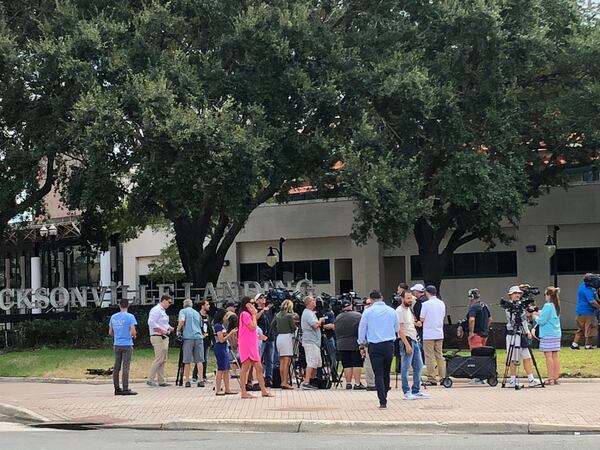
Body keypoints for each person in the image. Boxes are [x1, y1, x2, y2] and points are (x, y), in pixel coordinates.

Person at [358, 290, 399, 409]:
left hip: (374, 345)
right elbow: (396, 328)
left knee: (378, 373)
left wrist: (361, 343)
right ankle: (385, 392)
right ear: (381, 298)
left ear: (370, 300)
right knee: (386, 372)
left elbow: (362, 329)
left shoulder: (368, 312)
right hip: (388, 344)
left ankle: (382, 399)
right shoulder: (392, 311)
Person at [237, 296, 273, 399]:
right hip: (247, 344)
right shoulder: (244, 314)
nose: (253, 305)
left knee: (259, 367)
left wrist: (258, 337)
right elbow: (252, 326)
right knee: (246, 367)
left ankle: (263, 390)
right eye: (251, 303)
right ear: (246, 304)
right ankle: (244, 391)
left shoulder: (248, 314)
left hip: (252, 343)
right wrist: (253, 314)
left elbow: (252, 330)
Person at [505, 285, 539, 386]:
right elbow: (513, 320)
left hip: (522, 334)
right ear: (510, 295)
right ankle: (512, 380)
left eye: (519, 293)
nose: (517, 295)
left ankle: (531, 379)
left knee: (527, 357)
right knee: (513, 358)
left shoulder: (521, 305)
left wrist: (527, 331)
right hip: (513, 334)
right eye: (515, 293)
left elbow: (523, 319)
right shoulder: (508, 306)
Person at [396, 290, 427, 400]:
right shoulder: (399, 311)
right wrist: (406, 344)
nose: (410, 300)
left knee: (418, 365)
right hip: (406, 340)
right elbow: (399, 329)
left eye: (411, 298)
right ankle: (406, 391)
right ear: (402, 299)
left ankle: (416, 390)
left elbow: (409, 323)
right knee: (405, 367)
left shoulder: (409, 310)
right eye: (408, 298)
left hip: (414, 339)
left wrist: (416, 323)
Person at [109, 298, 138, 396]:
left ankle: (117, 388)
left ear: (119, 305)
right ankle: (125, 388)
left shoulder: (113, 317)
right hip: (127, 344)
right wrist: (133, 335)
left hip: (117, 344)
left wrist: (117, 335)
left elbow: (110, 332)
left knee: (116, 366)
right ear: (128, 306)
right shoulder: (130, 317)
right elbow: (133, 331)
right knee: (126, 367)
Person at [334, 299, 365, 390]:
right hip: (355, 343)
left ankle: (348, 383)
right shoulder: (358, 316)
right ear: (351, 306)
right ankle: (357, 383)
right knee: (357, 363)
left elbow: (335, 330)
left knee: (346, 364)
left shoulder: (338, 317)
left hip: (342, 344)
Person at [535, 287, 562, 385]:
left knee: (548, 356)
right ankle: (556, 378)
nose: (545, 297)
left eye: (545, 295)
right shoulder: (556, 306)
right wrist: (539, 312)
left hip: (547, 334)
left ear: (549, 296)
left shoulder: (547, 306)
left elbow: (542, 321)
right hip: (556, 334)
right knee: (555, 356)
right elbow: (548, 315)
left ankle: (550, 378)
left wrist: (535, 317)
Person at [420, 285, 446, 386]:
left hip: (428, 334)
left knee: (429, 356)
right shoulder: (441, 303)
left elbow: (422, 319)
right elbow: (442, 316)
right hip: (439, 332)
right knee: (439, 355)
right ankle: (443, 376)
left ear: (427, 292)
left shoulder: (425, 304)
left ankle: (432, 378)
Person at [147, 294, 174, 387]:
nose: (169, 304)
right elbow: (151, 323)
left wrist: (170, 328)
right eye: (169, 302)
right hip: (158, 336)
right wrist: (161, 330)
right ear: (163, 300)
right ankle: (150, 379)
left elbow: (163, 323)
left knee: (163, 359)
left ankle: (161, 380)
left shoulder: (163, 311)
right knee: (159, 358)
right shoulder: (156, 310)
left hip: (164, 336)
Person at [176, 299, 204, 388]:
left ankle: (187, 381)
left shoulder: (182, 311)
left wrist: (178, 329)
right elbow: (201, 324)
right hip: (198, 337)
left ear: (184, 305)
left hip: (188, 337)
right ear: (191, 305)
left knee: (187, 360)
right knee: (199, 360)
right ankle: (201, 380)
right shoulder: (197, 313)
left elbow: (182, 321)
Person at [301, 295, 325, 390]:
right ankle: (306, 382)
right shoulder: (308, 313)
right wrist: (321, 320)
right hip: (310, 341)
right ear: (309, 303)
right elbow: (315, 325)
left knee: (316, 362)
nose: (315, 302)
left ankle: (312, 380)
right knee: (311, 361)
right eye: (313, 301)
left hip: (314, 341)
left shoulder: (311, 313)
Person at [271, 299, 296, 389]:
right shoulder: (289, 316)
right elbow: (293, 327)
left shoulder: (277, 315)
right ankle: (285, 381)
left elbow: (272, 326)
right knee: (286, 361)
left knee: (282, 361)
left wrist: (277, 331)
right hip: (286, 337)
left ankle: (282, 381)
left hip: (279, 337)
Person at [212, 308, 237, 395]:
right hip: (220, 347)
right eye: (225, 316)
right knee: (221, 368)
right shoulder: (218, 326)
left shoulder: (222, 326)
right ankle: (218, 389)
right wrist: (230, 333)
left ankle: (227, 388)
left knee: (226, 369)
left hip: (224, 347)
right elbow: (221, 339)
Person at [571, 274, 600, 350]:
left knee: (581, 329)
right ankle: (588, 346)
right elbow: (592, 301)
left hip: (579, 312)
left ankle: (574, 345)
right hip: (588, 312)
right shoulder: (588, 290)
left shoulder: (582, 286)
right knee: (590, 328)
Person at [255, 293, 275, 387]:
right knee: (259, 358)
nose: (262, 299)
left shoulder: (269, 310)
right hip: (260, 338)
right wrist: (262, 310)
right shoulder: (255, 310)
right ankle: (259, 378)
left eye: (263, 298)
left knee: (269, 360)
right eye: (260, 298)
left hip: (270, 337)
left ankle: (268, 378)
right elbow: (255, 318)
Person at [193, 300, 213, 383]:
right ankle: (196, 375)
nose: (209, 306)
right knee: (200, 358)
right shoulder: (198, 316)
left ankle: (203, 376)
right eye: (207, 304)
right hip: (200, 340)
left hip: (207, 340)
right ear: (202, 306)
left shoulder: (207, 316)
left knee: (205, 358)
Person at [361, 297, 376, 391]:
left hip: (379, 342)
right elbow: (362, 330)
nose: (369, 306)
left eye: (370, 303)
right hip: (368, 342)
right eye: (367, 304)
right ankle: (371, 383)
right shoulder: (365, 315)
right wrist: (362, 345)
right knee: (369, 364)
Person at [410, 283, 427, 362]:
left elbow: (418, 315)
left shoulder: (420, 302)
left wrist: (415, 322)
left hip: (421, 328)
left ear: (417, 292)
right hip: (428, 328)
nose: (413, 293)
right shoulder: (427, 300)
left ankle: (422, 361)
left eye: (414, 291)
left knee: (421, 347)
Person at [322, 303, 337, 377]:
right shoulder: (315, 314)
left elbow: (332, 325)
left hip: (329, 337)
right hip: (318, 338)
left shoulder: (330, 314)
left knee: (332, 355)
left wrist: (321, 326)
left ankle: (334, 374)